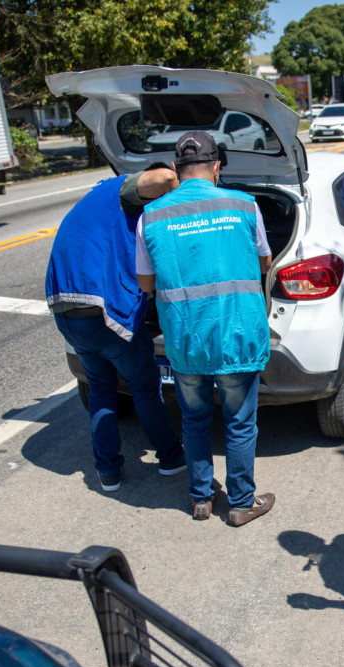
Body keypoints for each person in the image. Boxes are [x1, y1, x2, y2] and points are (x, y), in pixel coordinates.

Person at [136, 131, 276, 527]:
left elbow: (146, 283)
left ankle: (200, 498)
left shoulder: (153, 215)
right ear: (217, 167)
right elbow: (265, 261)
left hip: (186, 340)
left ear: (176, 171)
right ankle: (241, 502)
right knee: (239, 422)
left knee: (194, 419)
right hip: (235, 335)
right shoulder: (245, 205)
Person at [45, 167, 186, 492]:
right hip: (100, 307)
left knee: (100, 386)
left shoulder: (93, 201)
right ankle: (170, 458)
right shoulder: (120, 190)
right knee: (145, 386)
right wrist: (187, 187)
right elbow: (163, 178)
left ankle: (108, 472)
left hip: (65, 307)